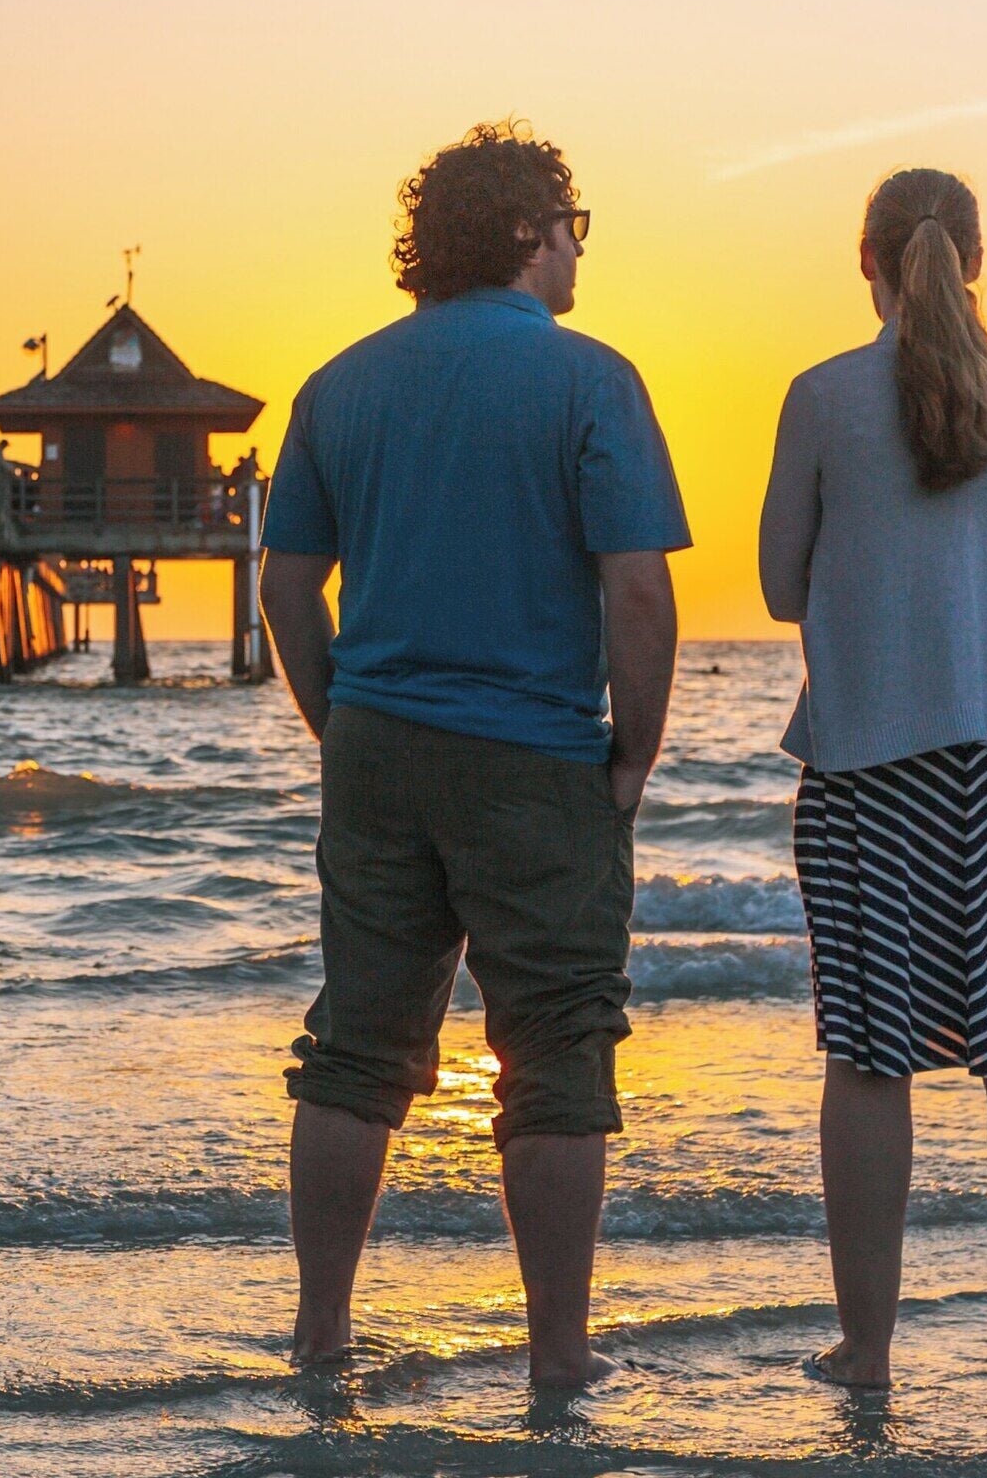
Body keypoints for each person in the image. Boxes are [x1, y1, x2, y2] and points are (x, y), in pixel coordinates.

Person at [259, 121, 688, 1390]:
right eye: (572, 227)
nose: (577, 252)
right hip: (536, 752)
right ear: (523, 232)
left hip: (381, 743)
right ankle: (559, 1354)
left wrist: (341, 725)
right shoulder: (591, 381)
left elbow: (285, 589)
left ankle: (322, 1331)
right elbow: (639, 597)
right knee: (556, 1047)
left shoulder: (340, 384)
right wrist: (632, 760)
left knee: (357, 1046)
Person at [759, 166, 987, 1391]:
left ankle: (866, 1351)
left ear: (867, 266)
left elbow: (775, 583)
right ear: (974, 260)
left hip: (868, 764)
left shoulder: (819, 397)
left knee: (870, 1058)